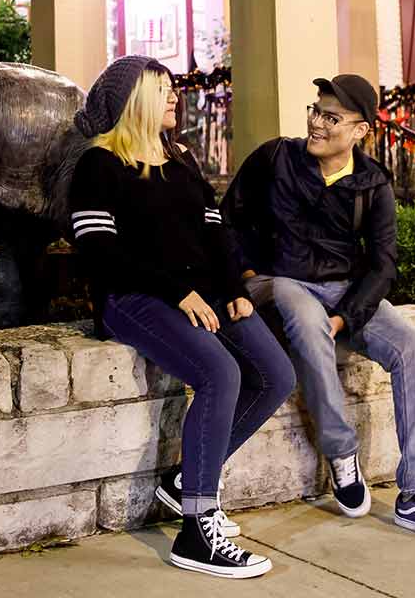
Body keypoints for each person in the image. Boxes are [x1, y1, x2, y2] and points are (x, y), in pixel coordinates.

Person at [68, 55, 296, 579]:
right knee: (220, 373)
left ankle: (183, 482)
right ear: (135, 100)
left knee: (276, 375)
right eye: (164, 88)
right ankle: (197, 529)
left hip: (202, 294)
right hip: (136, 299)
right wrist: (178, 292)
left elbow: (216, 232)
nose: (175, 96)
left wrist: (236, 285)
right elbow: (100, 252)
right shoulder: (98, 165)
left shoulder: (183, 159)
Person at [221, 73, 415, 543]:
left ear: (360, 130)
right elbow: (227, 218)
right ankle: (341, 453)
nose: (317, 123)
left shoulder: (372, 183)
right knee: (303, 312)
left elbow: (382, 265)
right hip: (280, 280)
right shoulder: (275, 157)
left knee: (413, 345)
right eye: (316, 111)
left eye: (331, 117)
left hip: (344, 290)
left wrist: (346, 316)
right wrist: (247, 275)